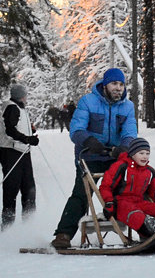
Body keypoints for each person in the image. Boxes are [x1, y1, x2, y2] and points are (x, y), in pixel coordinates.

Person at [51, 68, 137, 248]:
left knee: (125, 193)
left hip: (113, 157)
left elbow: (130, 132)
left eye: (121, 84)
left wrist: (124, 146)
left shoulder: (127, 106)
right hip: (89, 156)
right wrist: (89, 140)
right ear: (105, 85)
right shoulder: (88, 102)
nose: (118, 88)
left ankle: (145, 229)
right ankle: (63, 234)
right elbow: (76, 130)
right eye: (114, 84)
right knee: (82, 194)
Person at [99, 137, 155, 238]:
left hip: (139, 202)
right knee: (136, 215)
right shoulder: (121, 167)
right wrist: (109, 202)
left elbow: (154, 194)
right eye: (141, 153)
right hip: (121, 203)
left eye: (147, 153)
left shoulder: (150, 172)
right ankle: (150, 232)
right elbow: (105, 186)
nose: (145, 157)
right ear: (132, 154)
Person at [0, 84, 38, 228]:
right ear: (21, 96)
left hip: (23, 152)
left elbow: (17, 128)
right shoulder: (12, 108)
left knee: (29, 188)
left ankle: (29, 224)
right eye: (26, 95)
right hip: (12, 152)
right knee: (11, 189)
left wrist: (30, 134)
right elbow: (10, 130)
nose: (27, 97)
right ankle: (7, 225)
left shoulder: (19, 108)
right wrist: (27, 139)